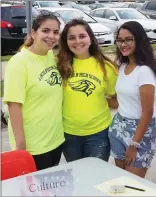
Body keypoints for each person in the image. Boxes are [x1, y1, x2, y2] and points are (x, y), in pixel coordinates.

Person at [3, 11, 65, 171]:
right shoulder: (19, 62)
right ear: (33, 33)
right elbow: (14, 105)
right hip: (33, 146)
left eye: (56, 32)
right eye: (45, 31)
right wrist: (21, 146)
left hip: (55, 140)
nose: (51, 36)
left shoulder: (51, 56)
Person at [57, 19, 118, 162]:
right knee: (77, 177)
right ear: (66, 42)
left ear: (91, 38)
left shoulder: (106, 67)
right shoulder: (59, 65)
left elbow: (115, 100)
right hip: (68, 133)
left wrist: (98, 99)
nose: (77, 41)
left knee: (95, 178)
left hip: (98, 133)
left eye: (82, 36)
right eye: (71, 38)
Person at [108, 21, 156, 178]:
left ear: (139, 40)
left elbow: (147, 112)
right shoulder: (122, 66)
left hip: (140, 133)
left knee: (133, 184)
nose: (123, 44)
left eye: (129, 40)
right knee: (122, 181)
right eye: (120, 40)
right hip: (119, 127)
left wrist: (134, 144)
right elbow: (120, 101)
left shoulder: (144, 71)